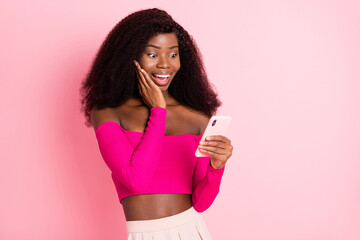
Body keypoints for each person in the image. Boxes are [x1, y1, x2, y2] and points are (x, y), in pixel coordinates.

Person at [80, 8, 233, 239]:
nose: (165, 65)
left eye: (173, 54)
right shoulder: (108, 112)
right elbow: (136, 180)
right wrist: (158, 110)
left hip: (192, 231)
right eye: (153, 55)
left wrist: (217, 167)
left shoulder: (197, 118)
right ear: (129, 57)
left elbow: (200, 203)